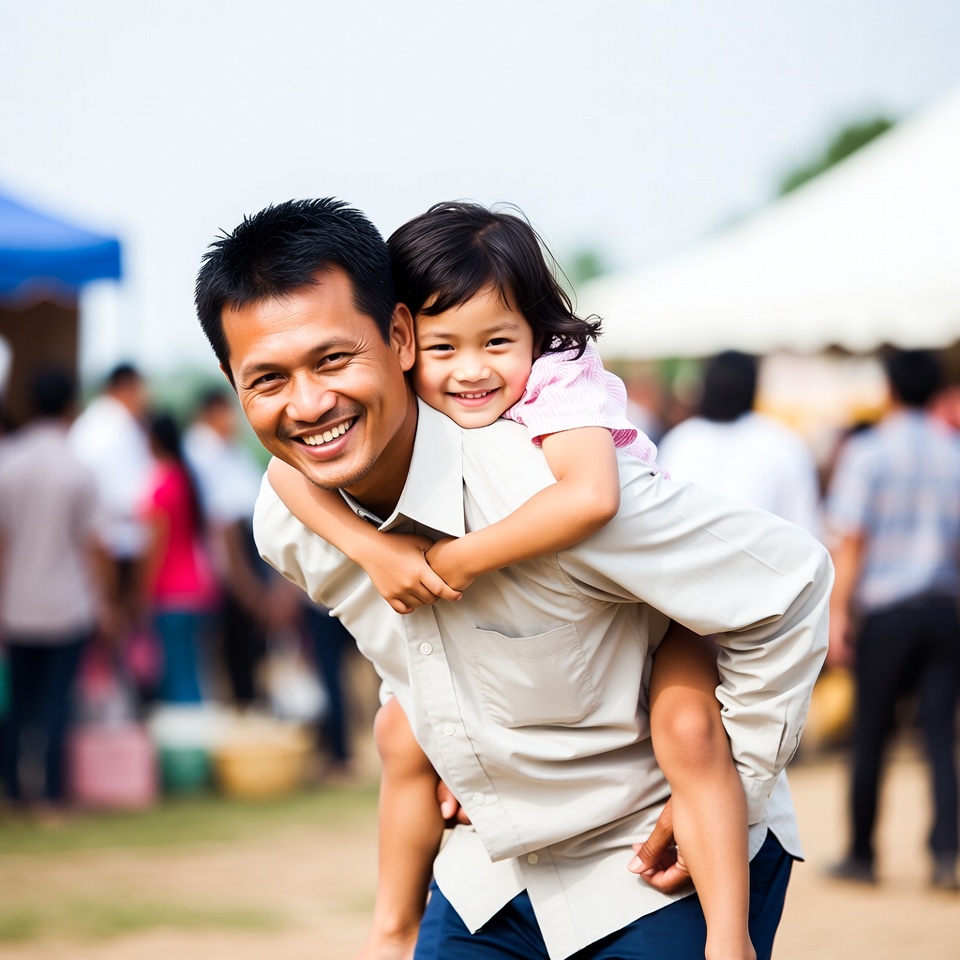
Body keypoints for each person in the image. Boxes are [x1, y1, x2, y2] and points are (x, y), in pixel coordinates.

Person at [195, 198, 832, 960]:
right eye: (267, 378)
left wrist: (738, 788)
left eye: (333, 359)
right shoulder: (291, 523)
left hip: (652, 856)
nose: (308, 403)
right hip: (490, 867)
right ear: (234, 385)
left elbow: (789, 582)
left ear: (398, 337)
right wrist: (462, 738)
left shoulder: (547, 488)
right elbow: (403, 661)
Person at [825, 348, 960, 892]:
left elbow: (851, 539)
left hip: (885, 612)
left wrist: (837, 614)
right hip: (945, 610)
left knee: (873, 732)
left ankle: (862, 851)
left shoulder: (868, 451)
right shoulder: (954, 452)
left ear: (888, 389)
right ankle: (947, 852)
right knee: (939, 734)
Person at [0, 367, 108, 815]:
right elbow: (91, 547)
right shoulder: (77, 468)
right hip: (68, 603)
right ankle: (50, 793)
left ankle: (11, 790)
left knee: (15, 704)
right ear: (70, 405)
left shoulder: (8, 462)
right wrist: (107, 602)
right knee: (56, 702)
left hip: (14, 604)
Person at [657, 351, 821, 538]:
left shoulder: (679, 441)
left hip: (684, 563)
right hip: (761, 563)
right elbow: (805, 530)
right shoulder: (783, 443)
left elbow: (660, 520)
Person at [184, 387, 272, 706]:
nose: (233, 420)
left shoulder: (230, 450)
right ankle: (242, 703)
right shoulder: (200, 452)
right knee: (234, 644)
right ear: (212, 413)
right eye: (228, 412)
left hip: (246, 546)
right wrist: (244, 583)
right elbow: (222, 524)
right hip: (228, 555)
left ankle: (248, 701)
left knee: (250, 643)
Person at [68, 363, 153, 637]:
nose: (145, 398)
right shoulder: (118, 426)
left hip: (91, 539)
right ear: (125, 388)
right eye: (141, 390)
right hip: (117, 543)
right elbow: (130, 495)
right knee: (115, 629)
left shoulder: (90, 422)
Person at [140, 413, 219, 703]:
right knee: (193, 671)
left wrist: (140, 592)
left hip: (169, 592)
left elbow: (154, 549)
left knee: (176, 675)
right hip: (198, 588)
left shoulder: (161, 484)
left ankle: (187, 743)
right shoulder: (187, 479)